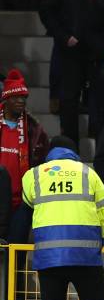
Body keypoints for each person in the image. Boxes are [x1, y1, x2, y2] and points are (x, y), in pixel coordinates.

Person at [21, 136, 104, 300]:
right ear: (73, 152)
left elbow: (28, 201)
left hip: (49, 257)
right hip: (85, 255)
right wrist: (101, 240)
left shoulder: (34, 174)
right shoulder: (89, 173)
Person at [39, 0, 104, 146]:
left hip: (96, 49)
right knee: (68, 101)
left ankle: (101, 145)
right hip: (69, 48)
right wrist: (63, 36)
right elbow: (47, 12)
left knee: (99, 99)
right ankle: (70, 148)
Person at [0, 70, 49, 216]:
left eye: (23, 98)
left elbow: (42, 163)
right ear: (6, 99)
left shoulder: (34, 129)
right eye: (16, 97)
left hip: (22, 202)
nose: (21, 101)